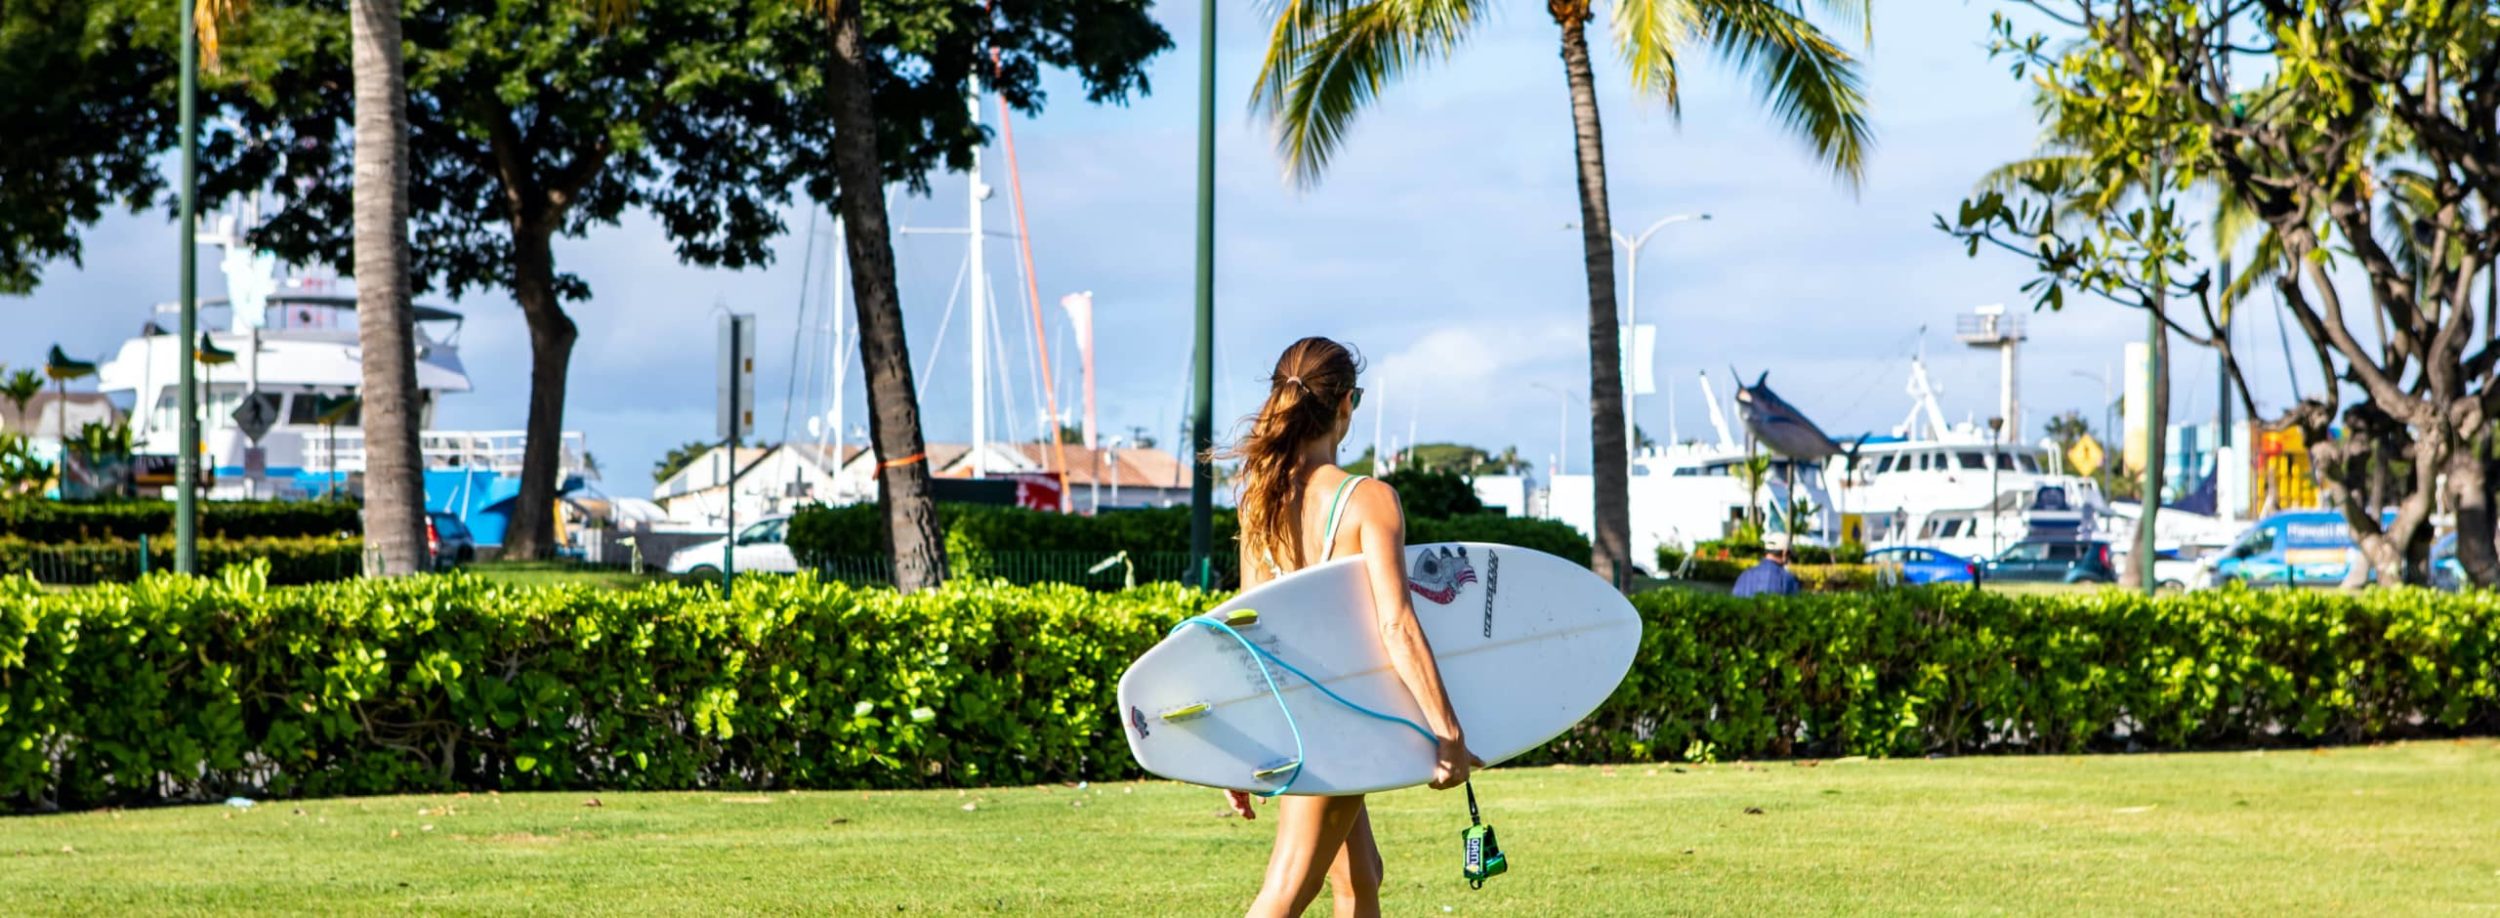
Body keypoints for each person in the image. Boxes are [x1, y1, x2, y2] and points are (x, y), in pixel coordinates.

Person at [1216, 336, 1480, 918]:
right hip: (1340, 714)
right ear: (1346, 406)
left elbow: (1247, 633)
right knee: (1285, 892)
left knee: (1361, 878)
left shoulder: (1260, 500)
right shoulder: (1369, 500)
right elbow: (1397, 626)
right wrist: (1449, 732)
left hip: (1293, 713)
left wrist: (1243, 742)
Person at [1731, 531, 1803, 597]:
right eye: (1789, 555)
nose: (1789, 560)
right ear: (1784, 553)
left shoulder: (1744, 576)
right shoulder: (1788, 579)